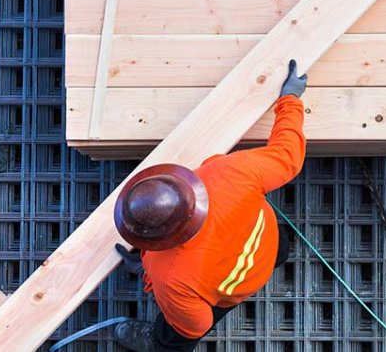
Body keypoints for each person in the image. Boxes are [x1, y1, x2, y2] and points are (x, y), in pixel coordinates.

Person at [112, 60, 308, 351]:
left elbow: (197, 324)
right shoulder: (229, 172)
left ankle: (158, 343)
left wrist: (150, 275)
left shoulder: (170, 276)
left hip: (235, 287)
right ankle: (279, 256)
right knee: (278, 247)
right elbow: (288, 154)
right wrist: (290, 100)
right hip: (267, 247)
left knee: (177, 334)